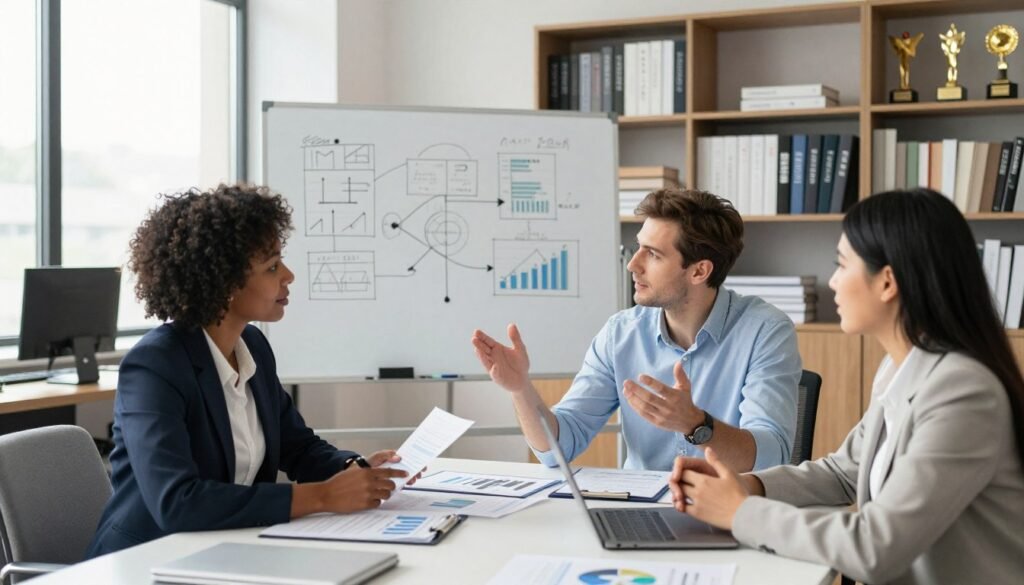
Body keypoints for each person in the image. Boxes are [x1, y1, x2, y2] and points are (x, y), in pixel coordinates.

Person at [668, 189, 1024, 585]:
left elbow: (876, 548)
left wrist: (739, 512)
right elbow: (843, 473)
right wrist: (746, 486)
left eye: (841, 265)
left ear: (887, 282)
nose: (833, 282)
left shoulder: (963, 394)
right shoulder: (900, 368)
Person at [87, 184, 415, 558]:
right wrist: (322, 496)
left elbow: (299, 448)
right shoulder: (155, 366)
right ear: (224, 282)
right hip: (145, 559)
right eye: (272, 266)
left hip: (227, 550)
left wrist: (356, 469)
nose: (288, 275)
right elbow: (177, 502)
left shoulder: (252, 346)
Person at [472, 189, 801, 472]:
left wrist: (697, 425)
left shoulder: (765, 331)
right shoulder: (621, 333)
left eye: (653, 254)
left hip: (729, 514)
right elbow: (558, 449)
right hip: (640, 511)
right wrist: (520, 389)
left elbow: (771, 456)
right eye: (638, 247)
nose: (633, 264)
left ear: (699, 271)